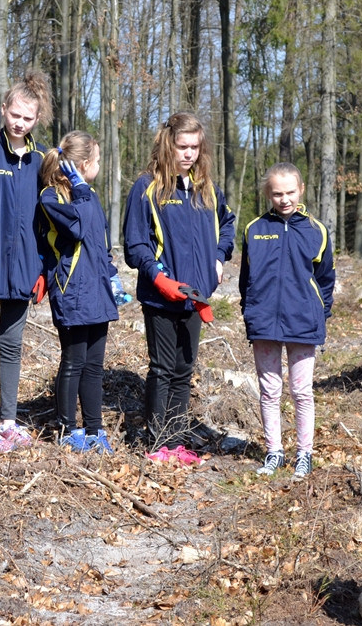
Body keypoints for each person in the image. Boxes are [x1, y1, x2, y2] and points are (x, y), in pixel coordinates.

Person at [122, 112, 235, 465]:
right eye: (182, 146)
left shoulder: (207, 190)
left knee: (185, 370)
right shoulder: (147, 187)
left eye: (194, 147)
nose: (188, 154)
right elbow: (134, 244)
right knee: (162, 368)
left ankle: (176, 442)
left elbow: (228, 224)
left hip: (196, 297)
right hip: (161, 296)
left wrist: (218, 260)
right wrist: (158, 277)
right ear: (168, 144)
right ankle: (158, 444)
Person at [0, 72, 52, 452]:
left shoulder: (41, 160)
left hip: (24, 268)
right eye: (14, 114)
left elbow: (48, 218)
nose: (19, 122)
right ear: (3, 111)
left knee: (13, 345)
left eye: (27, 118)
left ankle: (8, 419)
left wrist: (41, 267)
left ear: (37, 120)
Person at [239, 163, 335, 480]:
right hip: (264, 321)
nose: (284, 199)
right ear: (268, 193)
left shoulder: (316, 231)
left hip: (303, 322)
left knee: (301, 391)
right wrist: (250, 310)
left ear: (301, 190)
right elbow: (245, 279)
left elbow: (325, 279)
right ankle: (274, 452)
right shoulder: (254, 229)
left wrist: (320, 313)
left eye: (290, 192)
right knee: (269, 391)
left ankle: (304, 454)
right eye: (277, 193)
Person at [37, 131, 121, 454]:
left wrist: (112, 276)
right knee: (73, 362)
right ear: (84, 165)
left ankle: (94, 430)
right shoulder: (51, 198)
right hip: (71, 292)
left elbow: (98, 240)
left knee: (94, 366)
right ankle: (66, 430)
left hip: (98, 292)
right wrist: (82, 191)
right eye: (97, 161)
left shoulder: (90, 195)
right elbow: (78, 227)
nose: (99, 166)